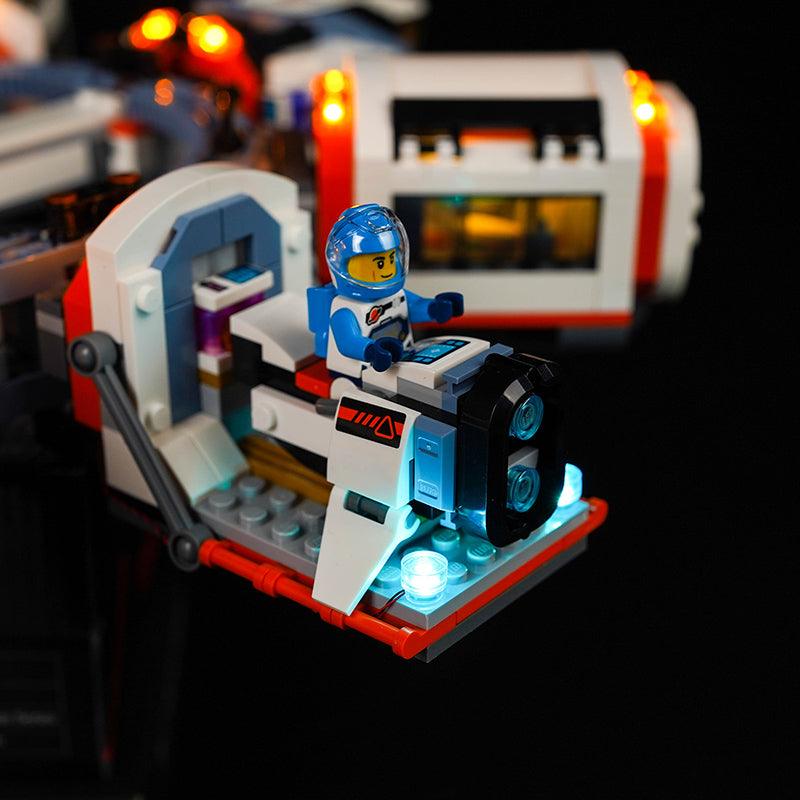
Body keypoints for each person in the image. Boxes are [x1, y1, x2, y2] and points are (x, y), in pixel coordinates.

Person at [308, 203, 464, 380]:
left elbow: (415, 306)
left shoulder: (396, 295)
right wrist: (372, 351)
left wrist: (436, 308)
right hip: (356, 375)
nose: (388, 269)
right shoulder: (346, 311)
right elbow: (348, 342)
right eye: (380, 264)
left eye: (391, 259)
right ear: (346, 267)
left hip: (402, 363)